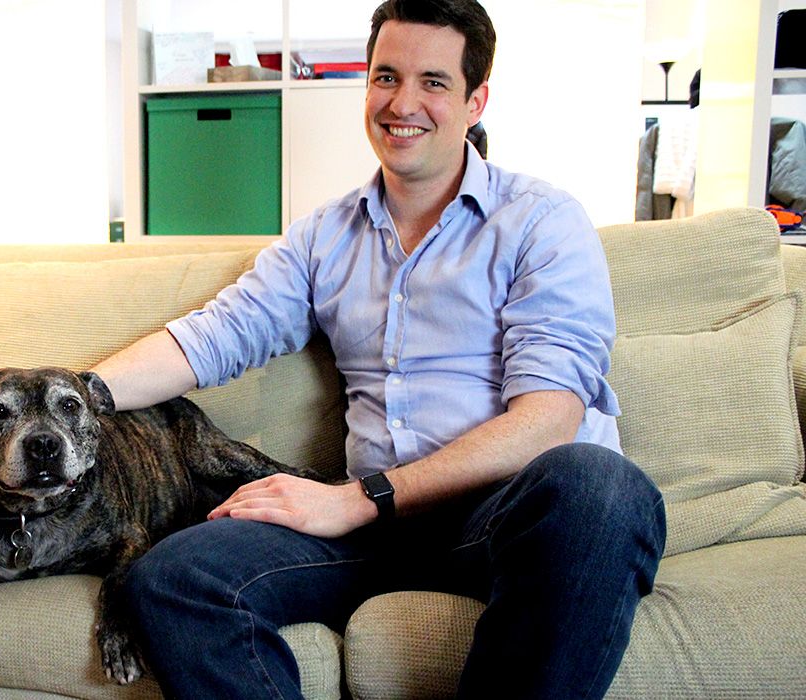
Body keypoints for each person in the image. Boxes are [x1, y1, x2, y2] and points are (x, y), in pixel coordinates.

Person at [91, 1, 667, 697]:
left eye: (433, 82)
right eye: (385, 76)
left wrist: (361, 497)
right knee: (173, 579)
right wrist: (64, 399)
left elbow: (548, 418)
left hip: (507, 517)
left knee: (601, 487)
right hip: (378, 534)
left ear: (475, 100)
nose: (402, 103)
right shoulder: (322, 238)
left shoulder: (541, 222)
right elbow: (215, 337)